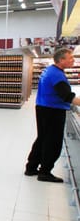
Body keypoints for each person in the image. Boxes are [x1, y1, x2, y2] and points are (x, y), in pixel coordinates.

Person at [25, 48, 80, 182]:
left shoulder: (50, 70)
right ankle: (45, 172)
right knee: (53, 142)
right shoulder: (56, 75)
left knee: (43, 139)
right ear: (61, 60)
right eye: (70, 58)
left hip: (43, 107)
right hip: (53, 110)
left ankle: (31, 167)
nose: (73, 60)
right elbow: (67, 96)